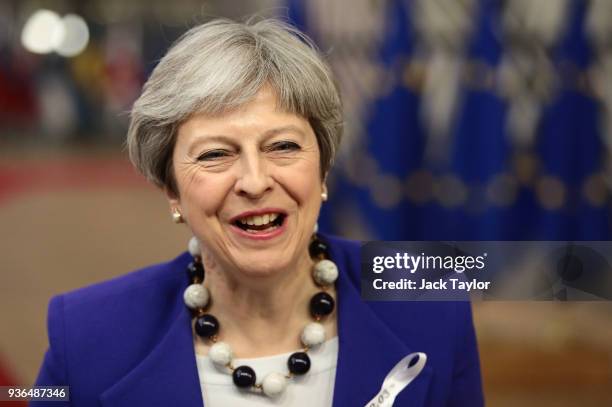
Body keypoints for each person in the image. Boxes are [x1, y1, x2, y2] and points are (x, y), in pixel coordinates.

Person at [34, 18, 484, 406]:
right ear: (171, 189)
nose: (254, 181)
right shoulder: (86, 333)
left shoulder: (432, 299)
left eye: (283, 146)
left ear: (323, 168)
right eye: (215, 155)